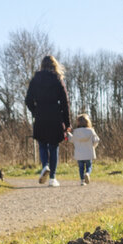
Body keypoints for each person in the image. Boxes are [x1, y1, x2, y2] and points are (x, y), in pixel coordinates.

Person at [23, 54, 71, 187]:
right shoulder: (57, 79)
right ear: (55, 65)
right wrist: (67, 123)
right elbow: (65, 102)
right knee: (54, 146)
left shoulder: (35, 79)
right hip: (55, 116)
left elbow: (28, 100)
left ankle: (45, 166)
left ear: (42, 65)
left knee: (43, 144)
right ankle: (52, 178)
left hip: (41, 116)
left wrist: (36, 111)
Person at [69, 113, 99, 185]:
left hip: (79, 154)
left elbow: (71, 140)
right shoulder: (91, 131)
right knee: (89, 166)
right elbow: (96, 140)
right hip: (88, 152)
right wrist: (93, 146)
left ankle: (82, 181)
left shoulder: (76, 132)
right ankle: (87, 173)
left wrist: (68, 134)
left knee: (81, 167)